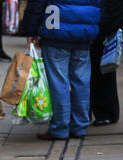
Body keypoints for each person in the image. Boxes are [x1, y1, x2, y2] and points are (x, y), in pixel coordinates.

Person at [22, 0, 102, 140]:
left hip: (56, 31)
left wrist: (31, 30)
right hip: (84, 31)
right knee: (81, 82)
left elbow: (36, 4)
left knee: (58, 83)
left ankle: (60, 128)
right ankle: (80, 126)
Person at [90, 0, 123, 126]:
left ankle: (105, 112)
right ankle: (104, 111)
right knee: (100, 71)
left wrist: (111, 27)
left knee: (102, 71)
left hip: (102, 27)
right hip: (100, 25)